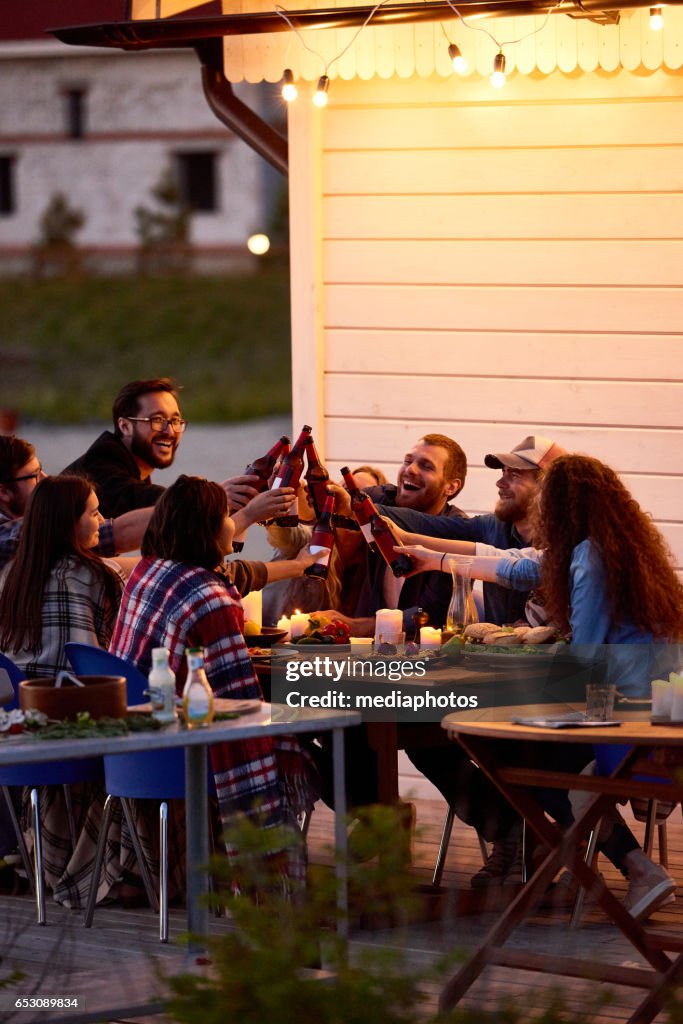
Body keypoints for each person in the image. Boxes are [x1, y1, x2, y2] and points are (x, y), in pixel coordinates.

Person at [111, 475, 318, 886]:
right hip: (185, 749)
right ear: (206, 528)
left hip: (133, 745)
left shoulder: (150, 571)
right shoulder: (210, 597)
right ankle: (282, 883)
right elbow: (237, 701)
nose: (234, 524)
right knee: (310, 751)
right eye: (226, 515)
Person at [379, 434, 567, 626]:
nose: (500, 483)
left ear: (547, 486)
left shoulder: (571, 545)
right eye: (503, 472)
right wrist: (357, 507)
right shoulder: (491, 527)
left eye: (514, 474)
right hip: (495, 655)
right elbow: (426, 525)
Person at [61, 377, 292, 524]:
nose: (169, 431)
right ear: (124, 426)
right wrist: (214, 498)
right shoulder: (100, 466)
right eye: (157, 420)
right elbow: (148, 502)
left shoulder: (130, 467)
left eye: (175, 421)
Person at [321, 434, 468, 636]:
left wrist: (356, 626)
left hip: (425, 657)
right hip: (368, 654)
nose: (410, 469)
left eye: (426, 466)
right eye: (408, 461)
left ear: (451, 487)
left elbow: (431, 612)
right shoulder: (385, 497)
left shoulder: (456, 530)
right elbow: (335, 505)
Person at [0, 475, 125, 677]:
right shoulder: (101, 574)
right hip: (77, 695)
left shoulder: (10, 574)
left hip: (18, 697)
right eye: (94, 514)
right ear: (70, 523)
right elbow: (121, 647)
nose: (102, 521)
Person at [0, 434, 155, 571]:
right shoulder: (12, 540)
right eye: (35, 476)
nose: (45, 478)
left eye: (41, 469)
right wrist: (174, 510)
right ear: (4, 492)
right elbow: (115, 535)